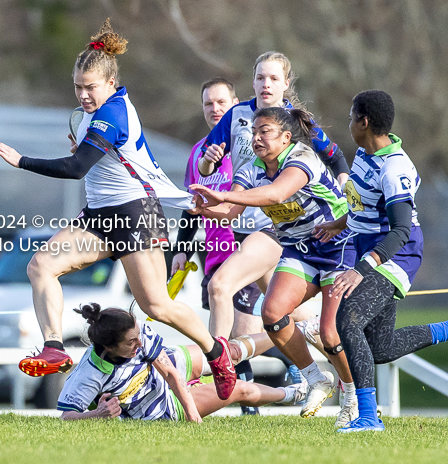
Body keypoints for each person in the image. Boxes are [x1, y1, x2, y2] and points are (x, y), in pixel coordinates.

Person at [0, 19, 237, 400]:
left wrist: (22, 161)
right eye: (78, 87)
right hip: (101, 215)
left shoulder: (114, 112)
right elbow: (97, 158)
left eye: (91, 87)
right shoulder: (93, 112)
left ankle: (217, 352)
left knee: (156, 305)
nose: (84, 95)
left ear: (110, 83)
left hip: (136, 214)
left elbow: (75, 169)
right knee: (40, 266)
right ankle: (55, 348)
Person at [194, 52, 350, 406]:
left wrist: (344, 186)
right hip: (271, 235)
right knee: (283, 317)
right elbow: (225, 197)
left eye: (273, 78)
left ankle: (222, 365)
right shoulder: (242, 133)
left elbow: (282, 190)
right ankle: (316, 372)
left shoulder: (300, 141)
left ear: (286, 84)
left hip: (309, 234)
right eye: (260, 78)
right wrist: (207, 204)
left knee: (224, 287)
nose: (266, 84)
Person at [313, 90, 448, 432]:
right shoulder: (363, 154)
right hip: (374, 253)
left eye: (350, 117)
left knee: (347, 320)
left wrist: (361, 269)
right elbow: (364, 206)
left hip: (397, 255)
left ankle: (369, 417)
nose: (348, 123)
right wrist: (338, 223)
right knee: (379, 348)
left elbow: (401, 229)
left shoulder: (395, 167)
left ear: (364, 121)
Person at [171, 77, 307, 415]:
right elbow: (193, 206)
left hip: (250, 247)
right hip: (215, 255)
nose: (215, 109)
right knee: (250, 330)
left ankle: (295, 372)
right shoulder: (200, 154)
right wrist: (182, 249)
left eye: (221, 103)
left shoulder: (248, 149)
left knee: (245, 331)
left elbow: (245, 203)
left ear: (236, 107)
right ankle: (256, 398)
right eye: (208, 104)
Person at [58, 303, 314, 422]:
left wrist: (194, 416)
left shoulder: (136, 334)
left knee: (227, 352)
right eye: (130, 344)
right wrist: (97, 414)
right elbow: (66, 416)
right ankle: (297, 393)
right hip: (160, 407)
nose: (139, 345)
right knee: (239, 389)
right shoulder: (88, 375)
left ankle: (294, 329)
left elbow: (170, 374)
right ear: (108, 347)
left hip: (168, 368)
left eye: (138, 337)